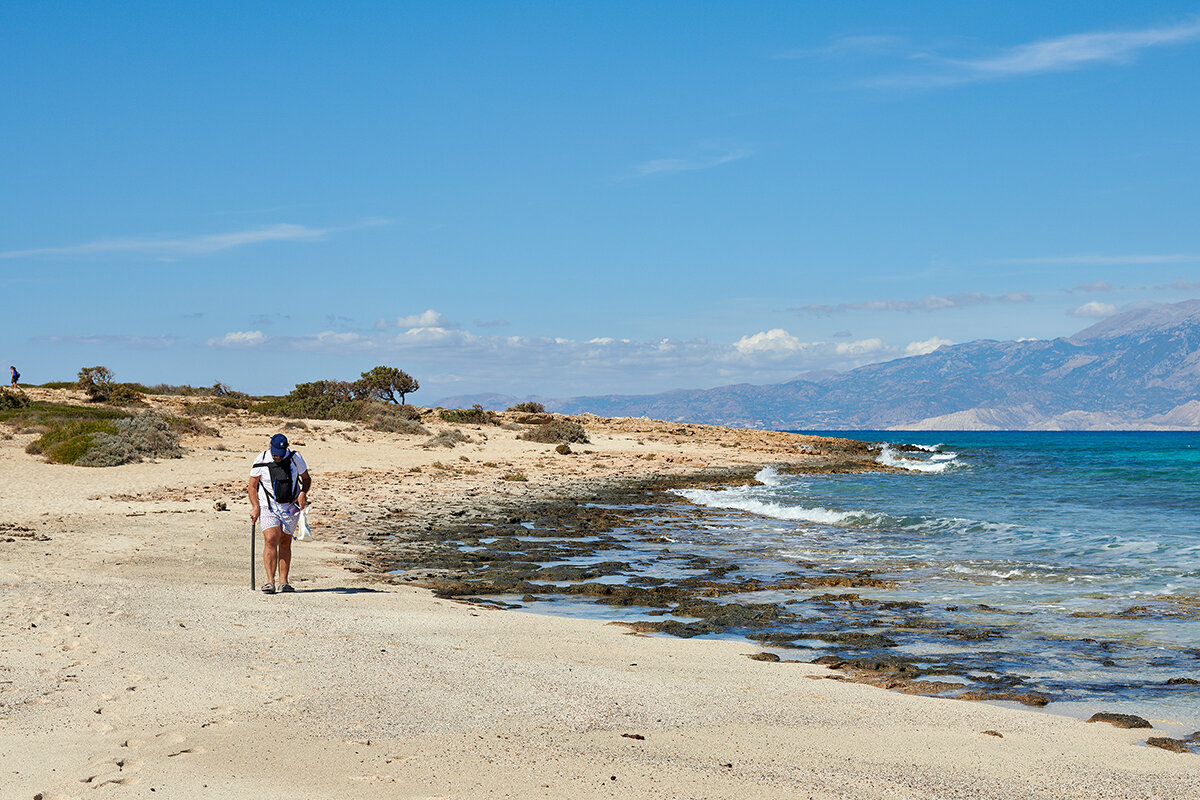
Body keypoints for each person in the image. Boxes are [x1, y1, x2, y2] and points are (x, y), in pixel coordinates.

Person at [248, 433, 311, 594]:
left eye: (280, 454)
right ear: (270, 447)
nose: (277, 457)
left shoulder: (295, 458)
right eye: (275, 453)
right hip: (268, 506)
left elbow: (306, 478)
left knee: (284, 542)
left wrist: (303, 493)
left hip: (290, 507)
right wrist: (255, 506)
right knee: (270, 539)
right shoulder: (261, 459)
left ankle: (284, 582)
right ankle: (270, 581)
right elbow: (252, 486)